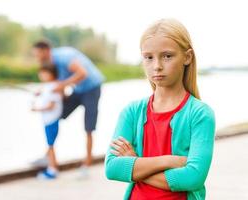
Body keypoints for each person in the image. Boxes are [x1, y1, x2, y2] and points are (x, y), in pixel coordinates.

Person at [105, 18, 216, 200]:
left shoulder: (200, 114)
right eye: (149, 57)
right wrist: (169, 160)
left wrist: (135, 164)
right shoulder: (132, 112)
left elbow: (193, 178)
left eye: (167, 56)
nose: (157, 66)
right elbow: (112, 168)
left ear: (187, 57)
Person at [33, 41, 104, 177]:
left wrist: (62, 85)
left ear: (45, 51)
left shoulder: (63, 56)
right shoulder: (52, 64)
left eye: (37, 54)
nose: (37, 58)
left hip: (92, 88)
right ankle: (49, 156)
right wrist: (49, 94)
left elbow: (82, 74)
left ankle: (87, 164)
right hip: (78, 90)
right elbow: (61, 87)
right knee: (56, 115)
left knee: (88, 127)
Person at [31, 66, 63, 179]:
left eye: (44, 73)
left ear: (51, 74)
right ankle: (53, 167)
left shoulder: (54, 87)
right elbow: (44, 92)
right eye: (41, 73)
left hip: (51, 121)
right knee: (50, 145)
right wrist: (39, 93)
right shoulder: (48, 86)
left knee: (51, 145)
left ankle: (52, 170)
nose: (41, 76)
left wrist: (36, 109)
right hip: (48, 121)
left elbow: (51, 106)